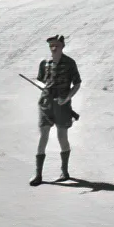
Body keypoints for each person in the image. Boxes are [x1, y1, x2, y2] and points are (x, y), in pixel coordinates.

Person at [32, 34, 80, 185]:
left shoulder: (70, 63)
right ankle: (38, 175)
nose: (53, 48)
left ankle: (64, 172)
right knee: (43, 136)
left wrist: (67, 98)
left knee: (62, 137)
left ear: (62, 46)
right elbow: (40, 81)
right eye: (51, 46)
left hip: (62, 105)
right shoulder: (44, 63)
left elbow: (77, 84)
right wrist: (44, 89)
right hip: (46, 104)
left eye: (56, 45)